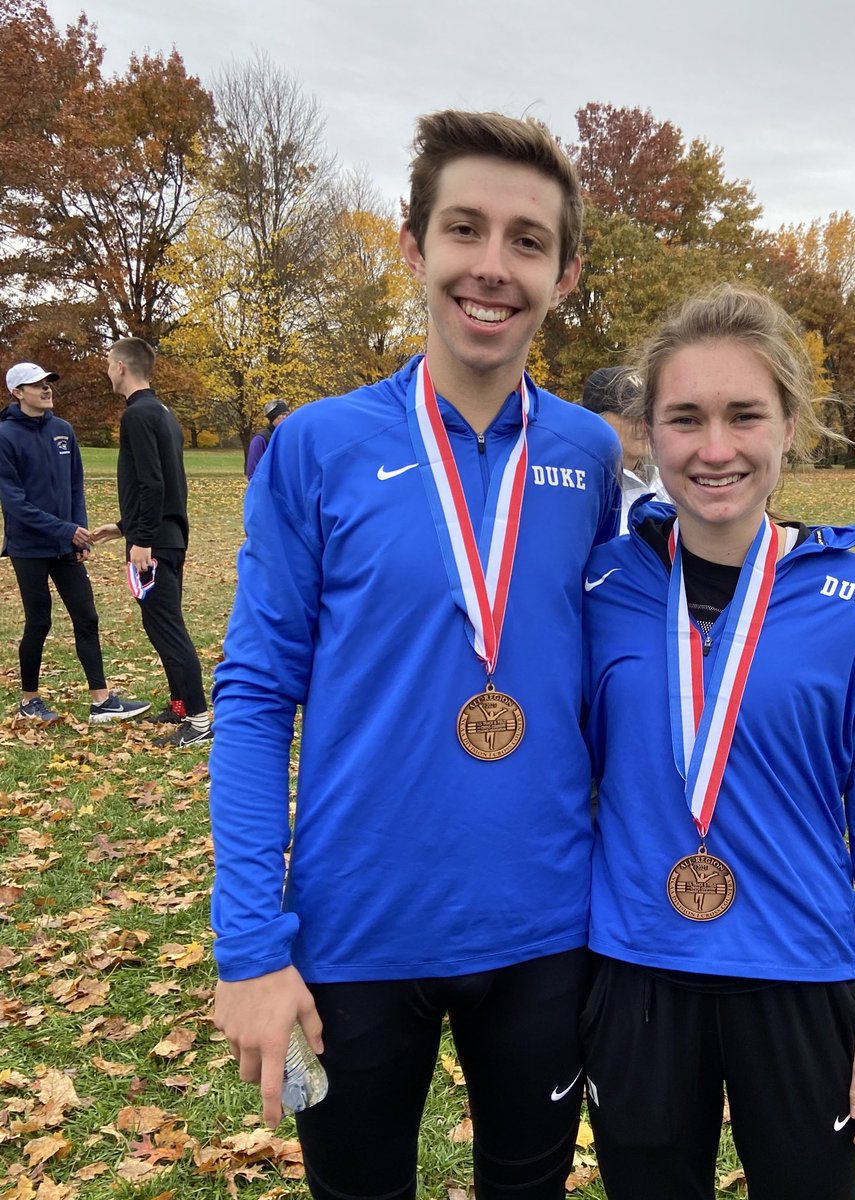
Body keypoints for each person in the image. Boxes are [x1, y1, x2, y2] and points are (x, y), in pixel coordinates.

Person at [208, 110, 621, 1200]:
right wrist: (250, 943)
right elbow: (253, 695)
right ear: (413, 246)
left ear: (565, 271)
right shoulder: (317, 445)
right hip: (353, 935)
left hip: (546, 926)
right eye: (466, 231)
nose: (493, 268)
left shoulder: (589, 453)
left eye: (527, 242)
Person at [580, 286, 855, 1199]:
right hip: (636, 969)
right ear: (648, 434)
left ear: (789, 426)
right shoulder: (602, 584)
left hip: (802, 974)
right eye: (685, 418)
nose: (715, 448)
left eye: (745, 415)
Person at [0, 363, 148, 724]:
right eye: (36, 385)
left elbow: (75, 486)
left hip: (67, 545)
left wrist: (79, 534)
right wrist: (64, 529)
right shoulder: (4, 436)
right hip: (29, 547)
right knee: (39, 621)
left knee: (87, 616)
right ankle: (29, 700)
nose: (47, 389)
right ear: (17, 393)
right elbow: (14, 503)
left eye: (48, 382)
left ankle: (101, 701)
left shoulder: (63, 430)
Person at [90, 338, 212, 747]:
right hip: (165, 537)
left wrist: (141, 539)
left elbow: (152, 482)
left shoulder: (138, 415)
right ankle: (179, 704)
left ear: (122, 367)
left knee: (166, 626)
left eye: (109, 363)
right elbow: (163, 486)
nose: (107, 370)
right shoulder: (162, 413)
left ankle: (198, 721)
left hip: (155, 543)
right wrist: (123, 526)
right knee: (157, 622)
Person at [582, 366, 667, 532]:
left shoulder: (665, 480)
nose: (643, 424)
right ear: (596, 419)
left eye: (648, 414)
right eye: (630, 414)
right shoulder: (583, 488)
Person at [244, 399, 288, 480]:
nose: (285, 417)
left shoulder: (287, 437)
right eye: (282, 414)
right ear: (274, 416)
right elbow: (252, 473)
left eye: (287, 414)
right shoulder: (260, 439)